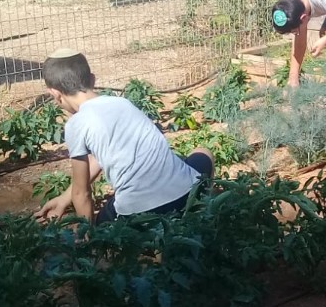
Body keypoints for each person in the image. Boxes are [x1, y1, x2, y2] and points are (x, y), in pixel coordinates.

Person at [34, 49, 213, 225]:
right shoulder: (123, 103)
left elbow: (82, 193)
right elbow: (99, 158)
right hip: (188, 195)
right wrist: (65, 198)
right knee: (203, 153)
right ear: (93, 80)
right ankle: (199, 215)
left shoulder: (76, 124)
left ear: (55, 95)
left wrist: (86, 235)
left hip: (139, 214)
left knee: (104, 224)